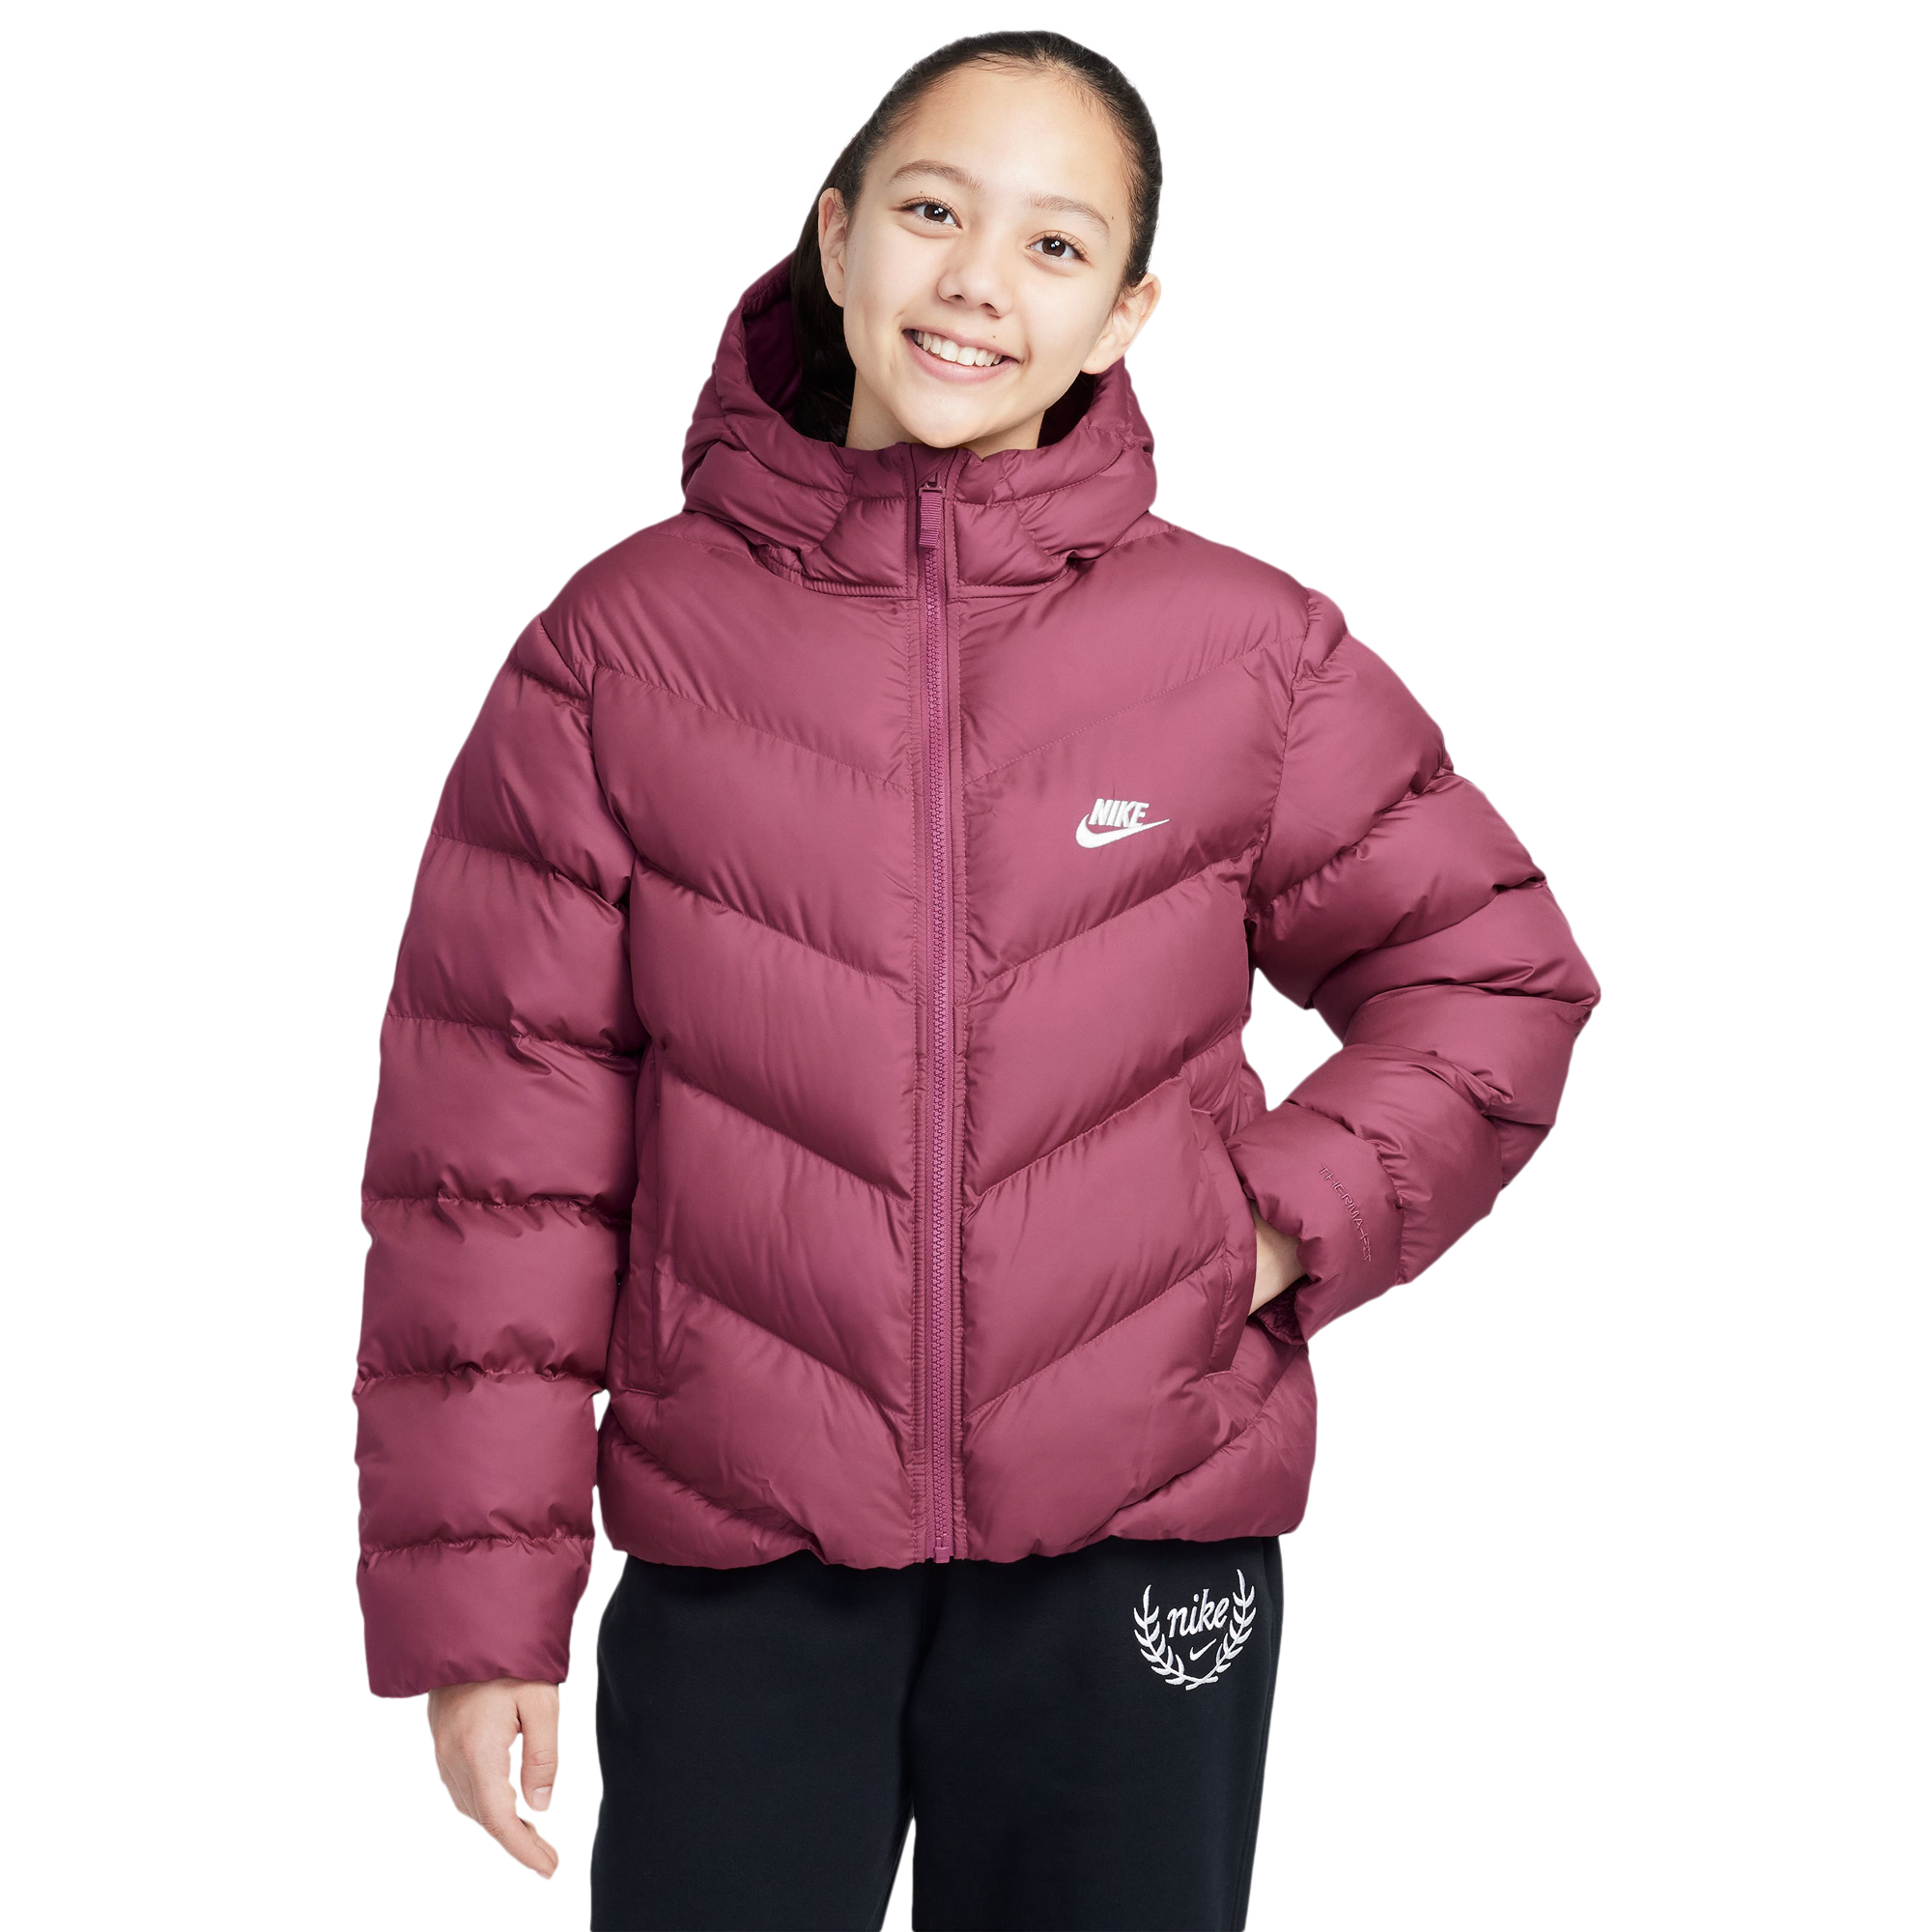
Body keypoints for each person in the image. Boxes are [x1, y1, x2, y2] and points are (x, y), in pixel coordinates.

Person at [352, 27, 1602, 1931]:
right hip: (745, 1555)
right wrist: (478, 1622)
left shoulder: (1242, 654)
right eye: (933, 213)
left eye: (1054, 244)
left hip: (1139, 1539)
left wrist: (1264, 1230)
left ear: (1126, 315)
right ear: (835, 235)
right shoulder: (620, 653)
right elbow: (494, 1168)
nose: (976, 285)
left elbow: (1492, 979)